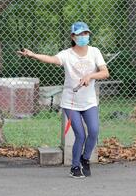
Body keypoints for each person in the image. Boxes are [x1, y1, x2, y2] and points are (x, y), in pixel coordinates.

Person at [17, 21, 109, 178]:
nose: (84, 37)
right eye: (80, 34)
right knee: (80, 135)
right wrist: (33, 55)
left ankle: (85, 159)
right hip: (70, 102)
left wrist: (90, 75)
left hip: (89, 102)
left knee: (93, 132)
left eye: (86, 33)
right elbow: (52, 59)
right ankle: (74, 167)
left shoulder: (95, 52)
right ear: (73, 37)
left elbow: (105, 72)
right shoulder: (67, 54)